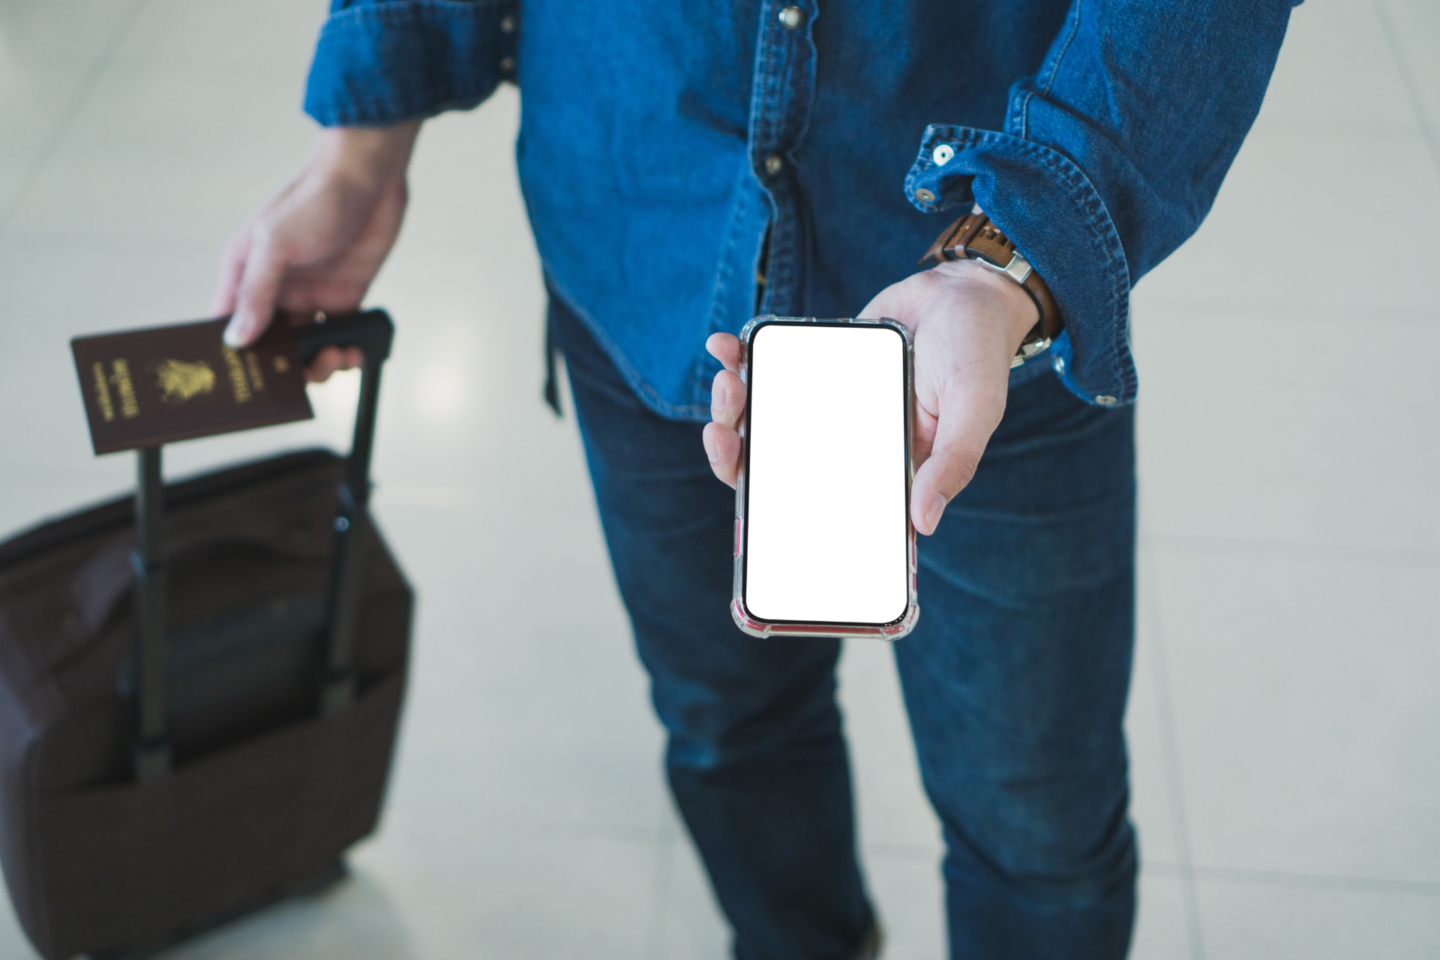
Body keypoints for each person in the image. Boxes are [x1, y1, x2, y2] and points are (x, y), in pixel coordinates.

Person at [213, 3, 1294, 957]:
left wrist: (1018, 251)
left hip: (997, 306)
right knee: (727, 730)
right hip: (641, 221)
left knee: (1038, 824)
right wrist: (360, 150)